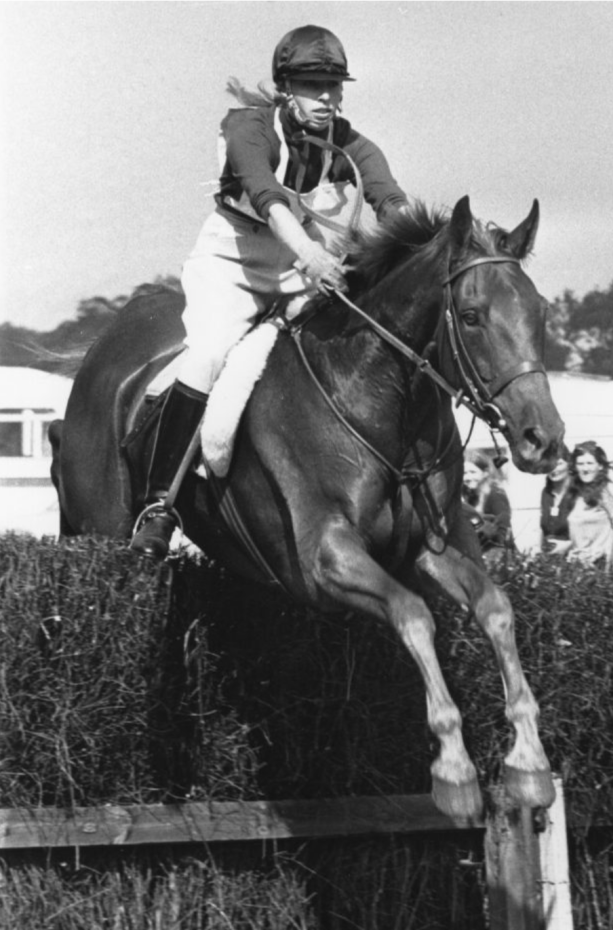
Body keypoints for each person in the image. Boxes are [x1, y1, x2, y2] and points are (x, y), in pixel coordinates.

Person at [131, 25, 408, 559]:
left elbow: (390, 201)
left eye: (334, 86)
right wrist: (314, 256)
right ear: (285, 87)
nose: (326, 98)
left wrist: (440, 240)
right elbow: (267, 196)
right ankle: (158, 505)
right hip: (233, 262)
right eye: (312, 85)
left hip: (300, 267)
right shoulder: (247, 128)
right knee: (209, 356)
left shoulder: (352, 145)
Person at [565, 440, 613, 568]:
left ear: (600, 466)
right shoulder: (575, 493)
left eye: (590, 463)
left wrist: (606, 556)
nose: (585, 468)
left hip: (600, 563)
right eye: (580, 464)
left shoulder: (607, 490)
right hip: (577, 564)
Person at [462, 451, 515, 558]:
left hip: (498, 555)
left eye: (473, 472)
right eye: (464, 473)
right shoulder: (469, 496)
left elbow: (503, 529)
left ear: (485, 473)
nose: (467, 478)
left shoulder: (496, 495)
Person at [540, 444, 573, 555]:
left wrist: (568, 545)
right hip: (550, 556)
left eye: (559, 464)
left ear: (569, 465)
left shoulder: (577, 492)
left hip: (573, 556)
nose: (553, 469)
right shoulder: (546, 493)